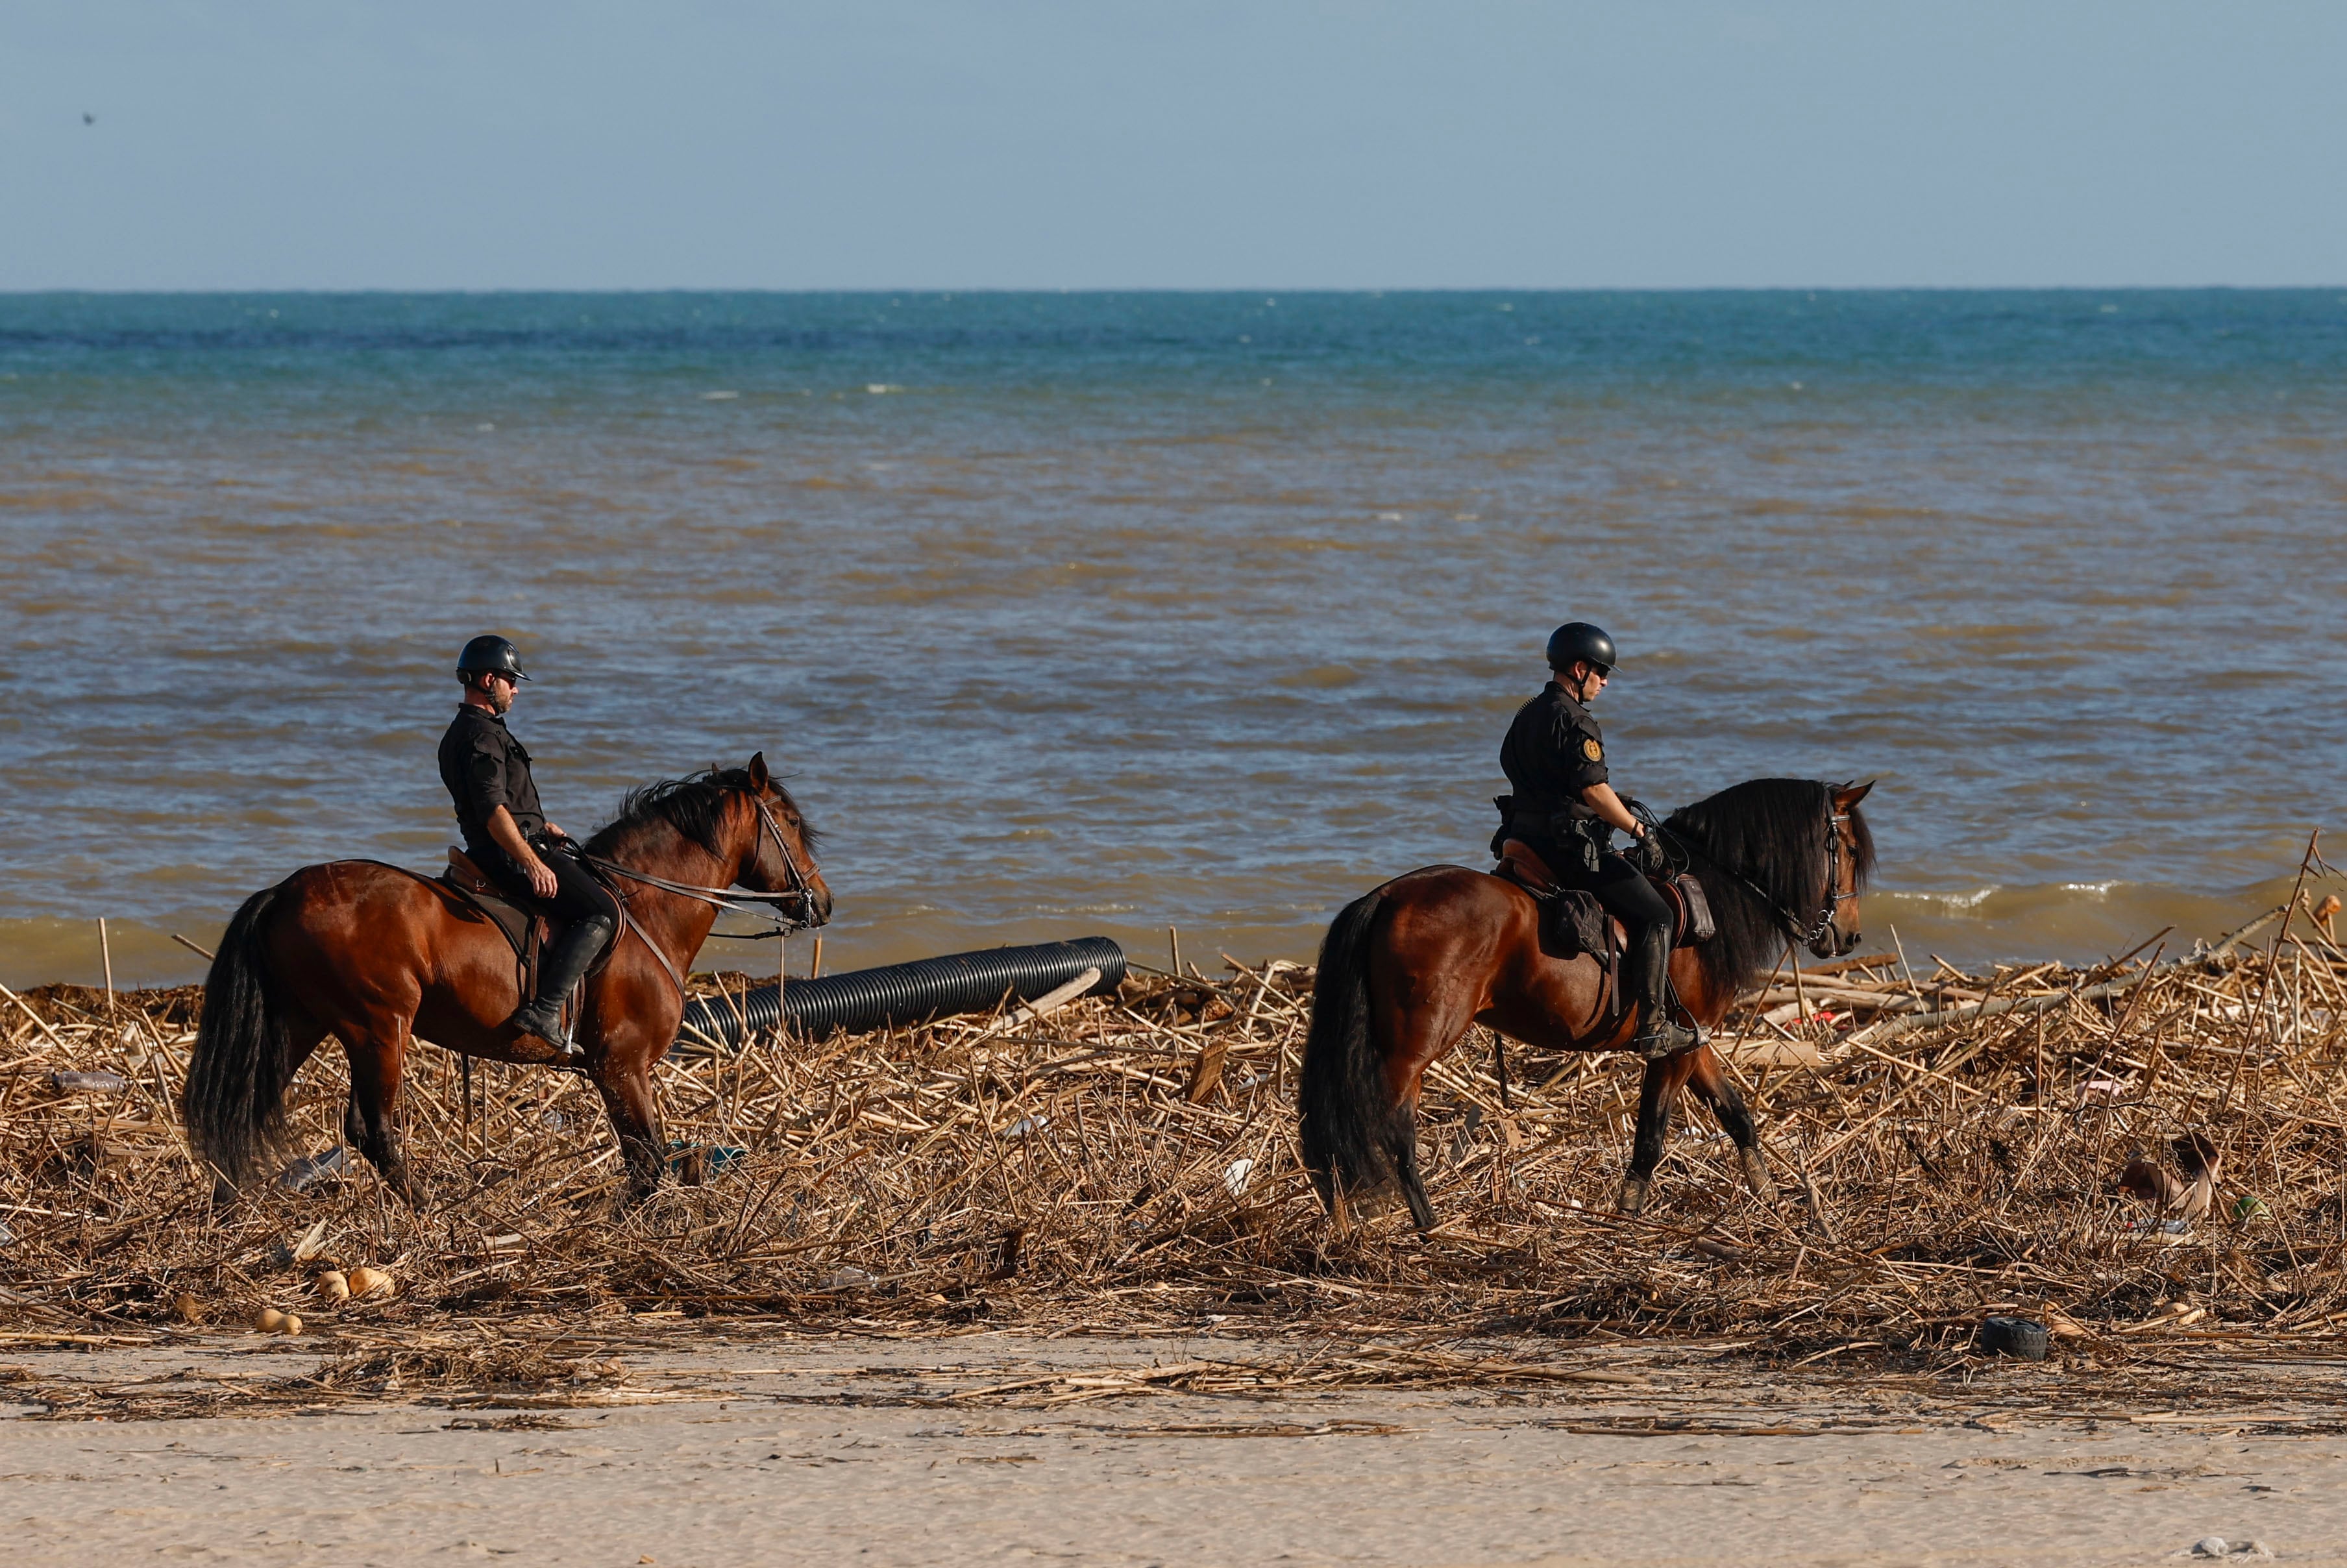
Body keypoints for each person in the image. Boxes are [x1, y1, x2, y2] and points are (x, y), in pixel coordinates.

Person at [1497, 622, 1697, 1060]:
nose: (1605, 682)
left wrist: (1607, 801)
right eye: (1601, 673)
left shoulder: (1526, 715)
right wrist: (1639, 830)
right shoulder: (1576, 720)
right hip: (1566, 851)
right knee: (1659, 916)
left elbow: (1548, 782)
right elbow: (1592, 790)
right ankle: (1654, 1027)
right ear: (1579, 668)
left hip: (1520, 841)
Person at [436, 635, 617, 1060]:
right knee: (602, 911)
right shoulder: (481, 736)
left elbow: (506, 805)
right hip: (503, 855)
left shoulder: (474, 730)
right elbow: (491, 811)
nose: (515, 690)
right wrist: (531, 862)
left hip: (516, 840)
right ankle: (545, 1010)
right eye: (510, 681)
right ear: (488, 680)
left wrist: (541, 825)